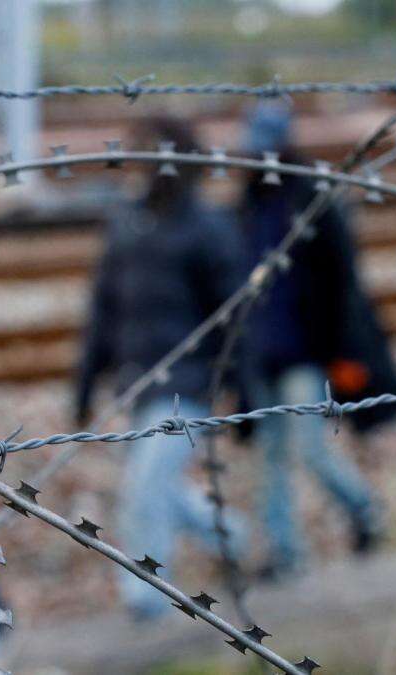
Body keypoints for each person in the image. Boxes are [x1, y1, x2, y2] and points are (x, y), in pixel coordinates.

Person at [73, 116, 249, 620]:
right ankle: (230, 534)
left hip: (188, 385)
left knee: (144, 487)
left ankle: (146, 599)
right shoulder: (126, 224)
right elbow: (103, 310)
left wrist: (242, 387)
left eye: (152, 156)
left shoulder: (208, 227)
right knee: (159, 487)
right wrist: (86, 382)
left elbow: (234, 317)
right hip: (136, 384)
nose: (141, 168)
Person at [239, 101, 396, 580]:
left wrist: (343, 352)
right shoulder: (248, 204)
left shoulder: (311, 198)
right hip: (261, 354)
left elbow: (342, 281)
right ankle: (286, 553)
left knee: (308, 450)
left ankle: (365, 509)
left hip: (305, 352)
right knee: (270, 458)